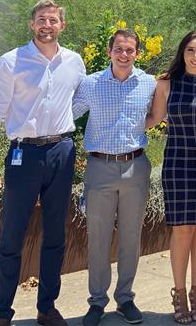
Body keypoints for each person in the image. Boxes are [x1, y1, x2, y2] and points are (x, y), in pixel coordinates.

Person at [0, 0, 86, 326]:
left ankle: (46, 308)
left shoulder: (74, 62)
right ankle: (3, 314)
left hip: (61, 153)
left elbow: (80, 99)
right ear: (32, 24)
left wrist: (65, 120)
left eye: (53, 20)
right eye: (41, 19)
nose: (47, 25)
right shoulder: (12, 62)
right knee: (12, 236)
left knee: (55, 236)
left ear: (62, 26)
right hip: (23, 156)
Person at [72, 28, 157, 326]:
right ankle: (97, 301)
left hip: (136, 166)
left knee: (132, 237)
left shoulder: (148, 83)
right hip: (100, 167)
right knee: (98, 238)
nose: (124, 55)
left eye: (130, 50)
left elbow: (158, 115)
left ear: (137, 53)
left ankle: (125, 298)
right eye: (119, 49)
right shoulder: (91, 84)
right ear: (109, 52)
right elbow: (66, 113)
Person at [146, 31, 196, 324]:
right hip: (178, 161)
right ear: (182, 52)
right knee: (182, 229)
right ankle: (178, 294)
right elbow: (153, 120)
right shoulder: (166, 84)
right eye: (191, 50)